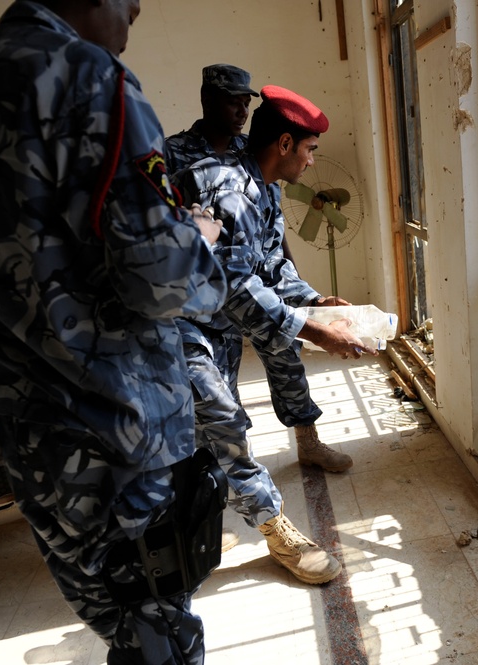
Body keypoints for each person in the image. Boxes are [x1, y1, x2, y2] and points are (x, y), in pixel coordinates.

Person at [0, 1, 228, 663]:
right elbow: (161, 279)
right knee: (160, 620)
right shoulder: (94, 79)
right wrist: (199, 239)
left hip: (25, 418)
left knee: (111, 609)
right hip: (116, 418)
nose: (138, 7)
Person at [172, 85, 376, 585]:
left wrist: (314, 302)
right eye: (309, 151)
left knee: (210, 423)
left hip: (209, 319)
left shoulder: (261, 185)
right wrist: (316, 332)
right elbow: (237, 287)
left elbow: (270, 264)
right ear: (284, 144)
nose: (311, 163)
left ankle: (203, 507)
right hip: (171, 323)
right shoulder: (230, 194)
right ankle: (275, 529)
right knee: (222, 420)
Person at [164, 63, 297, 265]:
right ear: (207, 101)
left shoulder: (253, 150)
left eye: (246, 104)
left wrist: (297, 281)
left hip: (251, 271)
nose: (243, 112)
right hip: (197, 268)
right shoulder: (172, 151)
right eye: (234, 103)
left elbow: (272, 220)